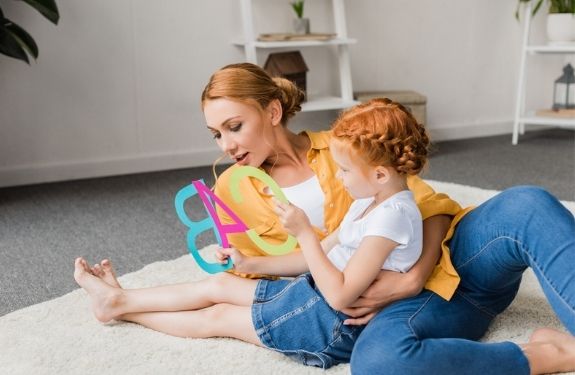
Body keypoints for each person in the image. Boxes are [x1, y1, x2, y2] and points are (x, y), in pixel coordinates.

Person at [77, 63, 575, 374]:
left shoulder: (342, 149)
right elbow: (303, 271)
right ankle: (544, 357)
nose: (226, 145)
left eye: (235, 126)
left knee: (526, 203)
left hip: (443, 267)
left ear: (272, 111)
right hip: (384, 307)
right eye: (215, 134)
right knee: (376, 362)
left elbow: (431, 205)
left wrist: (414, 275)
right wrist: (250, 261)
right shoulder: (236, 187)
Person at [74, 98, 430, 368]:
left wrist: (304, 233)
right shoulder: (368, 200)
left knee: (217, 317)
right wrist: (252, 259)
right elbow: (319, 254)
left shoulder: (391, 218)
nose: (338, 178)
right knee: (221, 285)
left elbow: (339, 296)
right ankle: (119, 300)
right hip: (312, 293)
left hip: (329, 322)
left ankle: (119, 307)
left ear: (381, 175)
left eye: (345, 171)